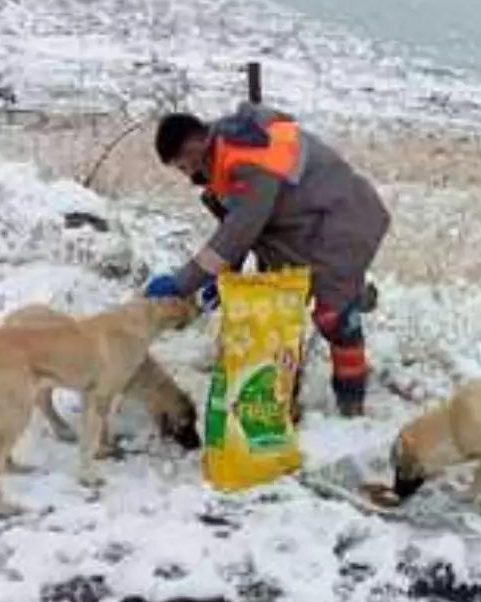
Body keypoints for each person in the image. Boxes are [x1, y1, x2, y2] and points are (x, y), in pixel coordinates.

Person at [144, 102, 391, 418]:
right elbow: (236, 226)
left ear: (194, 146)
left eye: (183, 166)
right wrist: (224, 276)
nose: (187, 174)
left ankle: (351, 403)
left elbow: (240, 230)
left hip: (345, 223)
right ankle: (348, 303)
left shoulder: (247, 159)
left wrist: (182, 283)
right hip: (308, 225)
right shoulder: (223, 149)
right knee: (285, 297)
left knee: (335, 317)